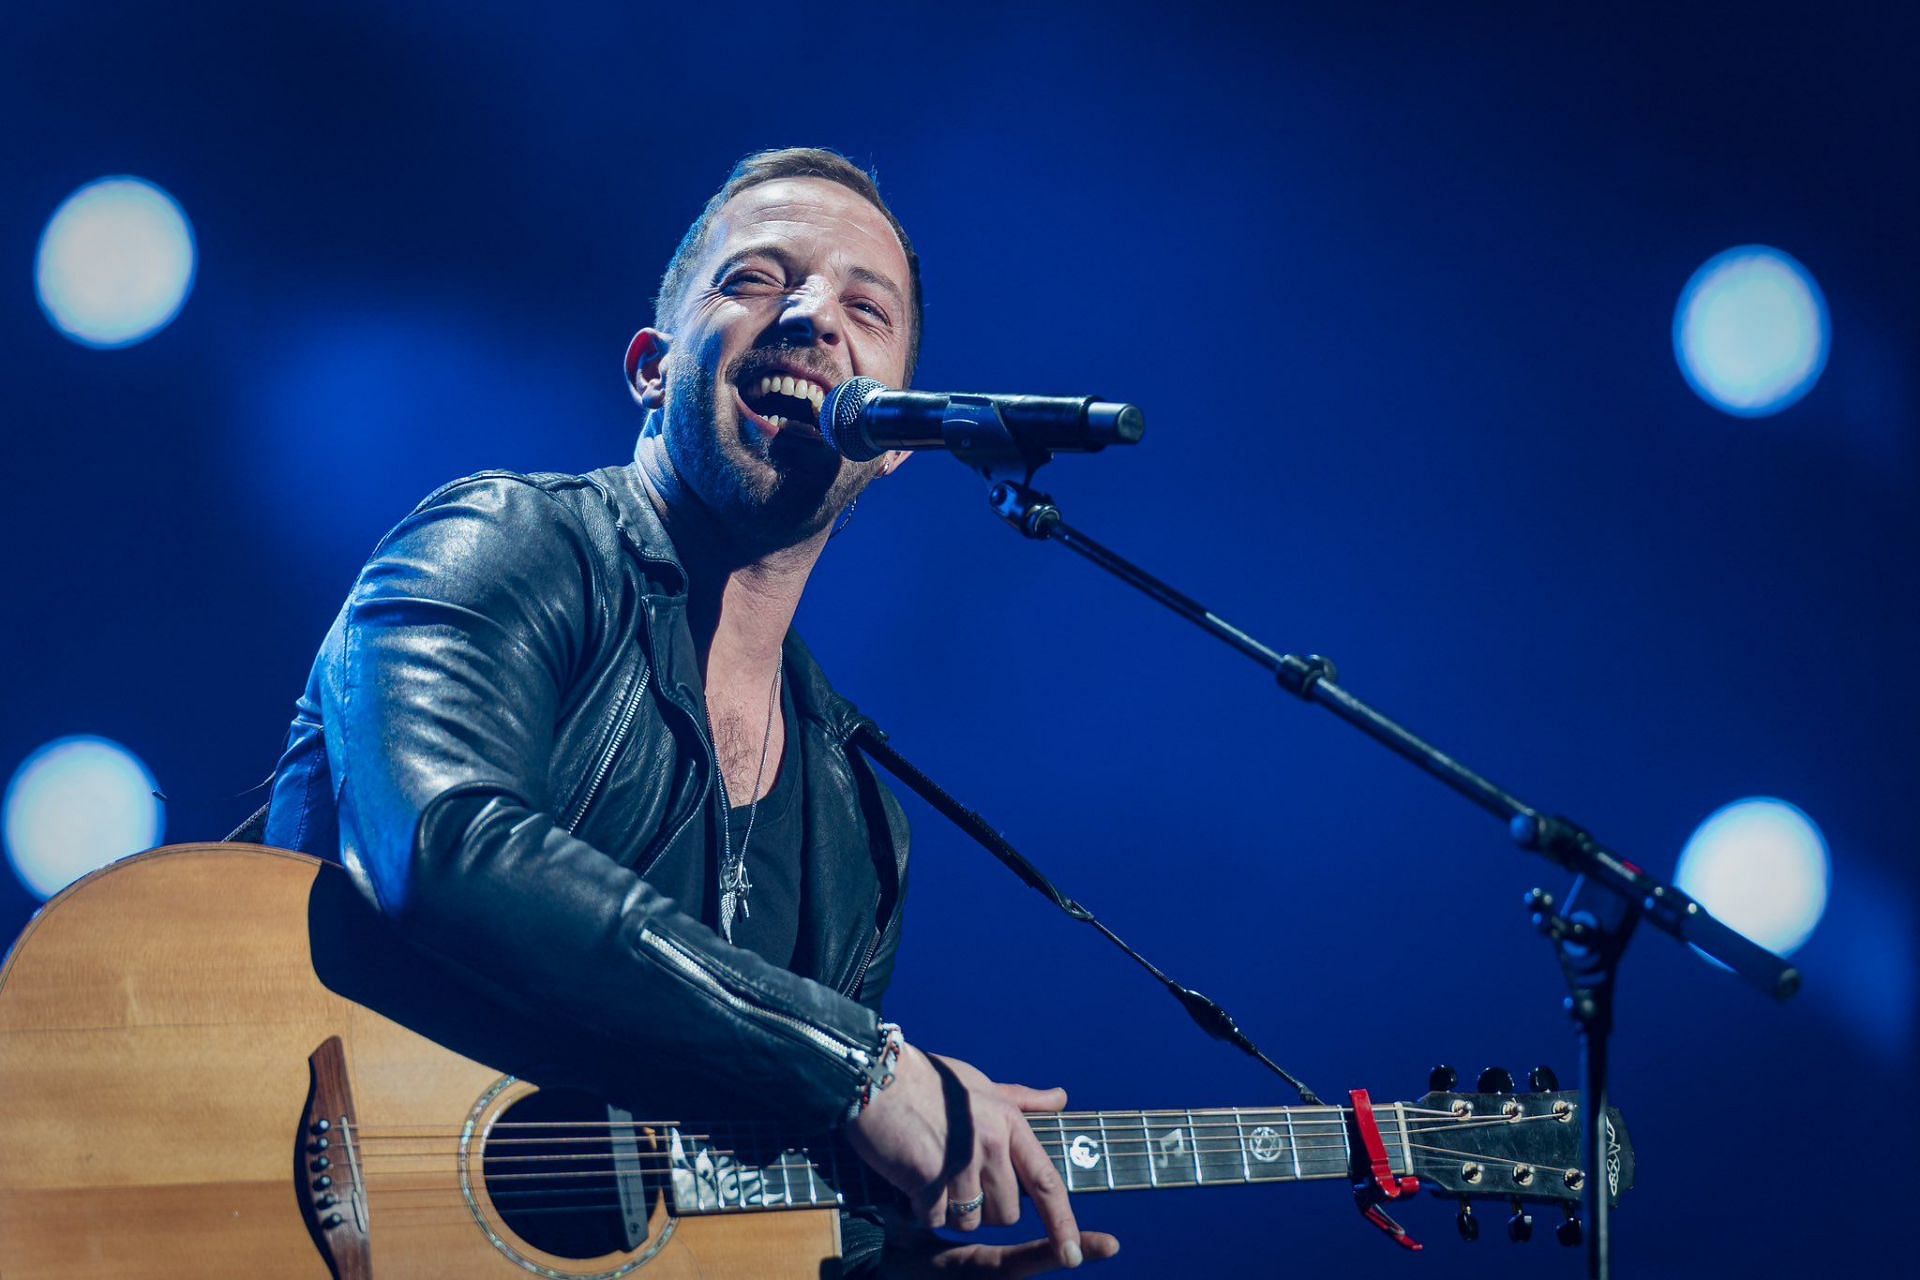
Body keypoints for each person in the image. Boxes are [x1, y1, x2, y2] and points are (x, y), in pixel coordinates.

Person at [263, 147, 1120, 1278]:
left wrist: (900, 1265)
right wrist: (858, 1063)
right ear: (651, 371)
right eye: (757, 279)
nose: (813, 317)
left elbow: (737, 1195)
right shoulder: (513, 542)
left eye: (866, 307)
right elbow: (445, 844)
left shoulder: (855, 823)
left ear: (902, 442)